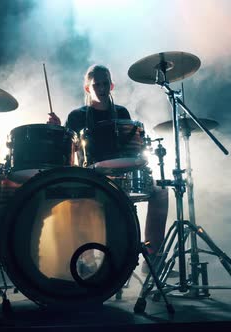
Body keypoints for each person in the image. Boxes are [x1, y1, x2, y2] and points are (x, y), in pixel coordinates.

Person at [48, 64, 169, 272]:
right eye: (97, 85)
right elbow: (68, 150)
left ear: (111, 85)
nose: (102, 88)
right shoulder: (76, 116)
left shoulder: (121, 112)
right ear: (88, 88)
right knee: (76, 202)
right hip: (91, 177)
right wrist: (59, 130)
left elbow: (130, 150)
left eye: (105, 84)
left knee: (161, 193)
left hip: (121, 177)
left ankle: (152, 258)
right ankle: (86, 261)